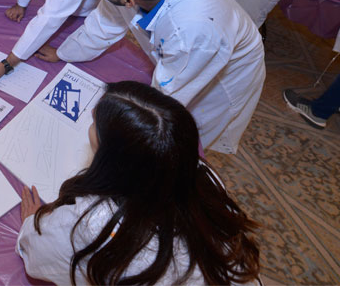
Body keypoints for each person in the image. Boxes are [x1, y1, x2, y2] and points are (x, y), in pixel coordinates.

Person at [37, 0, 266, 154]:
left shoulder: (190, 32)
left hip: (224, 75)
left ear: (128, 0)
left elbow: (166, 95)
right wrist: (63, 53)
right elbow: (103, 24)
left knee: (182, 137)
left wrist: (121, 127)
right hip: (191, 47)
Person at [17, 81, 261, 285]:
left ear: (113, 157)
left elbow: (38, 256)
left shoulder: (92, 221)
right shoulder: (202, 174)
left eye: (94, 123)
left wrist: (33, 224)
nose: (90, 120)